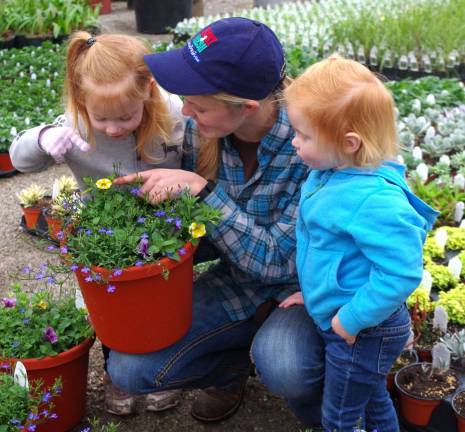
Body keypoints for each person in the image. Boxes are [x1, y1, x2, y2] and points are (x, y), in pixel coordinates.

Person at [108, 17, 310, 423]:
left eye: (197, 104)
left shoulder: (309, 142)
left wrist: (202, 192)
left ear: (247, 108)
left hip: (302, 292)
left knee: (287, 368)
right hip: (236, 283)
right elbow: (201, 239)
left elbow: (276, 262)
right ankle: (232, 367)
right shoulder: (204, 131)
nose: (184, 111)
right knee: (128, 370)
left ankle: (299, 380)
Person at [254, 55, 438, 432]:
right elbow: (333, 252)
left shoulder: (373, 199)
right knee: (371, 399)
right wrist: (317, 291)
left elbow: (401, 272)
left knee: (339, 416)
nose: (294, 142)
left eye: (304, 136)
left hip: (364, 329)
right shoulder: (332, 172)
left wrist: (350, 318)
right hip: (347, 318)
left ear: (349, 142)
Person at [9, 32, 186, 416]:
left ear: (148, 91)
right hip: (104, 228)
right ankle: (116, 372)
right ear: (81, 99)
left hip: (164, 225)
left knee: (164, 300)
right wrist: (43, 138)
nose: (113, 128)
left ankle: (162, 371)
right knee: (112, 300)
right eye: (101, 117)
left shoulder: (173, 114)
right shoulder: (73, 125)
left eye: (125, 116)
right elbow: (20, 158)